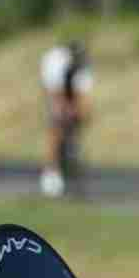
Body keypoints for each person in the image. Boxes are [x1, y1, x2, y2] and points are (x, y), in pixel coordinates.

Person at [39, 39, 93, 197]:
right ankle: (51, 173)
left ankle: (71, 160)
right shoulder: (54, 61)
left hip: (69, 87)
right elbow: (55, 94)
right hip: (54, 89)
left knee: (76, 123)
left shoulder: (84, 66)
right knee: (56, 125)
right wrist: (62, 112)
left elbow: (83, 97)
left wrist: (79, 116)